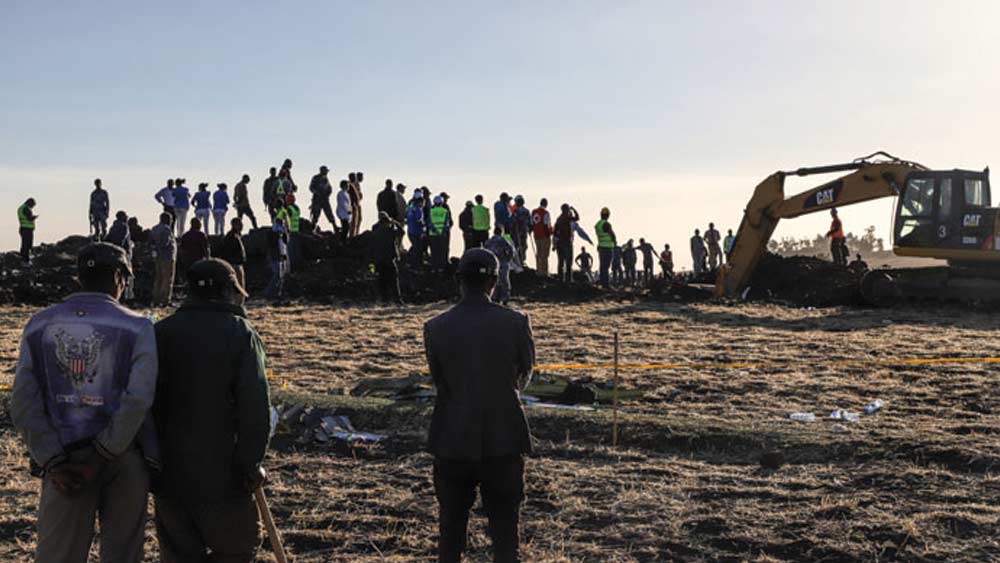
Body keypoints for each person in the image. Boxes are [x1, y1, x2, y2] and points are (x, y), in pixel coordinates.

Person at [11, 242, 157, 563]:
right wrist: (103, 453)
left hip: (64, 461)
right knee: (122, 553)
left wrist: (53, 461)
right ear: (119, 276)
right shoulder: (138, 326)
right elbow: (138, 399)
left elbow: (22, 402)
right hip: (123, 458)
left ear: (79, 278)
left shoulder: (39, 325)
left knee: (58, 554)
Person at [153, 258, 269, 563]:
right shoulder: (240, 333)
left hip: (169, 475)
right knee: (235, 551)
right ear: (228, 291)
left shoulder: (160, 333)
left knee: (179, 554)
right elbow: (254, 406)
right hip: (224, 476)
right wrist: (251, 463)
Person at [423, 248, 535, 563]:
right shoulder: (516, 322)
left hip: (452, 438)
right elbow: (524, 375)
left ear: (459, 281)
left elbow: (439, 379)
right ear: (494, 282)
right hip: (504, 438)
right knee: (506, 534)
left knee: (450, 531)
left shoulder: (436, 327)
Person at [368, 212, 404, 304]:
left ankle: (384, 300)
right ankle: (397, 300)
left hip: (379, 260)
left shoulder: (375, 231)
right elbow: (401, 232)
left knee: (382, 281)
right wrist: (395, 222)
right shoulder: (390, 231)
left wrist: (372, 265)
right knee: (394, 280)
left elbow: (371, 248)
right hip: (389, 259)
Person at [149, 212, 177, 307]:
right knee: (167, 279)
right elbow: (166, 242)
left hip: (158, 257)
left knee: (158, 278)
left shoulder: (154, 229)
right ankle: (165, 300)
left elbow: (151, 242)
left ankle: (156, 299)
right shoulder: (167, 229)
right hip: (167, 256)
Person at [106, 211, 135, 300]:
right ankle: (126, 297)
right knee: (126, 276)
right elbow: (122, 240)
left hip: (114, 254)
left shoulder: (113, 227)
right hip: (123, 255)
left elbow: (108, 239)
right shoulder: (124, 226)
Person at [485, 226, 516, 305]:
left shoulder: (489, 241)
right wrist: (508, 259)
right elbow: (511, 251)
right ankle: (505, 298)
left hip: (492, 264)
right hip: (502, 263)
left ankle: (494, 298)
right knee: (504, 281)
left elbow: (485, 251)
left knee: (493, 281)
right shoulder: (503, 240)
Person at [553, 204, 580, 283]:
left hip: (560, 242)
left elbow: (555, 232)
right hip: (566, 242)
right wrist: (573, 209)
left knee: (561, 261)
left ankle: (561, 279)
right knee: (568, 261)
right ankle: (568, 279)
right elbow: (577, 218)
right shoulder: (567, 218)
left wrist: (555, 244)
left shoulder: (559, 219)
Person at [219, 217, 247, 289]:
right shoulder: (231, 236)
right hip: (234, 264)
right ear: (234, 225)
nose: (242, 226)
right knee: (238, 287)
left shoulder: (236, 235)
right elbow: (228, 251)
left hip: (236, 264)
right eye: (239, 224)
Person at [265, 218, 289, 301]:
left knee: (282, 276)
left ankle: (278, 293)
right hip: (275, 256)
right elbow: (271, 244)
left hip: (282, 255)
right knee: (277, 275)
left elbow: (286, 242)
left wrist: (284, 232)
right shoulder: (271, 233)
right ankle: (269, 292)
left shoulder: (282, 233)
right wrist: (277, 233)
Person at [594, 207, 616, 289]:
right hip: (607, 247)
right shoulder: (606, 224)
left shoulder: (598, 224)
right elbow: (612, 234)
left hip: (601, 246)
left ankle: (603, 282)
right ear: (607, 215)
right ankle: (606, 284)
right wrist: (614, 241)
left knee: (602, 266)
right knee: (606, 266)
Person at [428, 196, 451, 272]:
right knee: (442, 251)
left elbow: (429, 223)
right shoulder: (445, 211)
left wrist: (434, 229)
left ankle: (434, 267)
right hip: (442, 234)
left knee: (434, 251)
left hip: (433, 234)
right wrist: (442, 231)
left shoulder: (431, 211)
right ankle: (441, 267)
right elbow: (447, 223)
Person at [309, 166, 335, 231]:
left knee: (329, 213)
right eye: (326, 171)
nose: (327, 172)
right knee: (316, 215)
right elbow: (311, 188)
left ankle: (335, 227)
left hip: (325, 199)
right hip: (317, 200)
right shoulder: (316, 178)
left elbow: (329, 188)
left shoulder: (326, 179)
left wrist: (328, 193)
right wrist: (317, 193)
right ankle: (312, 228)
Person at [530, 199, 553, 276]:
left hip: (536, 236)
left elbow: (532, 224)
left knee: (539, 253)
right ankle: (544, 272)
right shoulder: (545, 213)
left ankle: (539, 270)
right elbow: (546, 224)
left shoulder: (534, 212)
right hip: (544, 236)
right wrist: (548, 235)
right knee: (545, 254)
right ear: (546, 204)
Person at [406, 191, 427, 267]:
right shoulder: (418, 209)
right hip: (417, 232)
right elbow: (419, 220)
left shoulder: (410, 208)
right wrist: (425, 225)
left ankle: (411, 262)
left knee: (415, 247)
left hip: (410, 231)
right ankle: (416, 264)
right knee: (418, 249)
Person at [510, 195, 531, 265]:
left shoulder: (516, 211)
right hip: (523, 232)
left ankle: (518, 262)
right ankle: (522, 260)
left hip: (517, 232)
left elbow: (512, 222)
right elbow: (530, 222)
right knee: (523, 246)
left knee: (517, 247)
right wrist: (530, 229)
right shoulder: (526, 211)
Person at [17, 198, 38, 265]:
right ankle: (25, 260)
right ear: (30, 203)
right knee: (27, 245)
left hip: (24, 228)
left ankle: (24, 259)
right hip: (26, 229)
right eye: (33, 205)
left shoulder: (21, 208)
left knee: (25, 244)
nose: (32, 207)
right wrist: (34, 217)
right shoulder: (25, 208)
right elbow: (29, 218)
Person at [285, 194, 302, 271]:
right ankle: (298, 266)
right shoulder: (297, 208)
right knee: (296, 250)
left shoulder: (289, 209)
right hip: (296, 231)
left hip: (290, 232)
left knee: (291, 251)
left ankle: (292, 268)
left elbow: (287, 220)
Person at [348, 172, 364, 237]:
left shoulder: (356, 184)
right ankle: (353, 235)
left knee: (358, 219)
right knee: (354, 220)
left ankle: (355, 233)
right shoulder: (351, 185)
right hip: (353, 205)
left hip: (357, 203)